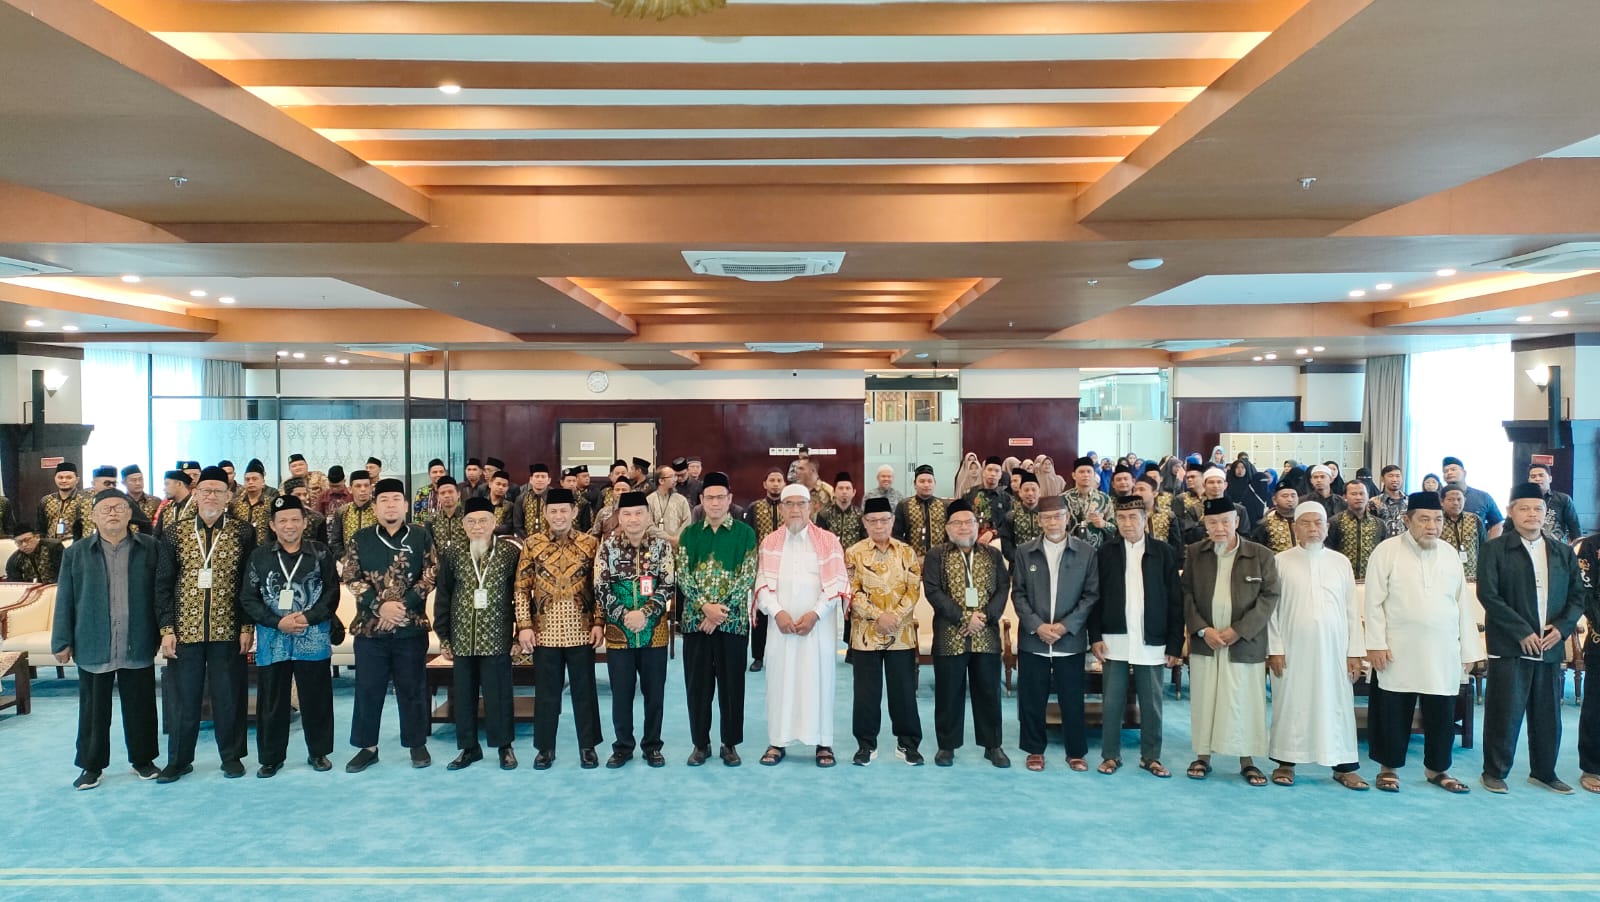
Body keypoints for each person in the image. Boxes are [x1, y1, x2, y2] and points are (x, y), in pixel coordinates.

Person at [1363, 492, 1479, 793]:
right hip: (1397, 648)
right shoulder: (1386, 551)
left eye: (1437, 519)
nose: (1432, 526)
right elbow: (1373, 602)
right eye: (1424, 519)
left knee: (1441, 711)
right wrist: (1375, 644)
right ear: (1407, 520)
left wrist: (1469, 649)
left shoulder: (1449, 554)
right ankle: (1388, 768)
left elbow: (1462, 604)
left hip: (1442, 649)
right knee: (1392, 710)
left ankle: (1437, 769)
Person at [1477, 482, 1585, 794]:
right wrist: (1521, 631)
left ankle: (1544, 772)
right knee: (1504, 713)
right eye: (1524, 508)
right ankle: (1494, 772)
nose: (1532, 514)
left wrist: (1561, 629)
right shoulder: (1495, 549)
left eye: (1538, 509)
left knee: (1548, 714)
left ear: (1545, 512)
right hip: (1511, 645)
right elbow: (1489, 595)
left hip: (1549, 646)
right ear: (1511, 512)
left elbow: (1577, 596)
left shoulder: (1562, 552)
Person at [51, 489, 161, 790]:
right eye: (105, 509)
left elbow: (161, 593)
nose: (112, 513)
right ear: (93, 516)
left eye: (119, 507)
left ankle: (143, 760)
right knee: (93, 710)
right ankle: (91, 766)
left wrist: (164, 632)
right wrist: (61, 640)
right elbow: (65, 598)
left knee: (141, 705)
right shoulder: (76, 553)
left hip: (137, 637)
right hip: (93, 639)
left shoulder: (149, 548)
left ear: (130, 514)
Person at [154, 465, 257, 783]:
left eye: (218, 491)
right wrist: (167, 629)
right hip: (185, 629)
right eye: (206, 490)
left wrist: (246, 626)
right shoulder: (174, 532)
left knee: (230, 696)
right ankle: (179, 760)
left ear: (228, 497)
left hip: (229, 629)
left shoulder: (243, 532)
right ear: (196, 494)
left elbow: (248, 583)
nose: (211, 496)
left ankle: (232, 757)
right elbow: (163, 583)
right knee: (184, 698)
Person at [1266, 503, 1368, 790]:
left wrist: (1355, 652)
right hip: (1291, 649)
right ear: (1295, 528)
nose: (1313, 529)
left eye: (1318, 523)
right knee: (1291, 702)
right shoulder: (1279, 561)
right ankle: (1285, 762)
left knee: (1336, 704)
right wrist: (1274, 648)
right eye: (1306, 523)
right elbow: (1271, 611)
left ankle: (1344, 766)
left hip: (1335, 649)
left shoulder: (1340, 562)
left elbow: (1351, 609)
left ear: (1327, 527)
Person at [1182, 497, 1279, 786]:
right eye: (1212, 523)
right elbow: (1185, 594)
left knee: (1244, 701)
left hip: (1244, 642)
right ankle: (1202, 756)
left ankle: (1247, 760)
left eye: (1225, 521)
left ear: (1236, 522)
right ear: (1205, 525)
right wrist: (1202, 630)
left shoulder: (1260, 555)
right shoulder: (1195, 553)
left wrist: (1239, 630)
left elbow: (1269, 597)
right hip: (1207, 641)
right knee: (1205, 699)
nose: (1219, 528)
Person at [343, 477, 438, 773]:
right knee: (368, 689)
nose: (390, 505)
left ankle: (416, 743)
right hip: (370, 629)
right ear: (375, 507)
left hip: (410, 627)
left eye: (396, 499)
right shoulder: (361, 538)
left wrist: (403, 604)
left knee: (412, 688)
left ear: (406, 505)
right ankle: (367, 747)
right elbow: (351, 577)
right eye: (384, 500)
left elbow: (431, 573)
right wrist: (379, 605)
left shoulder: (420, 535)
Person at [239, 494, 338, 777]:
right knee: (272, 700)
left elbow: (332, 591)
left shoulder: (320, 552)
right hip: (274, 638)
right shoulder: (259, 556)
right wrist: (277, 622)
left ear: (305, 522)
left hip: (312, 634)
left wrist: (308, 617)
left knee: (316, 697)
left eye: (295, 519)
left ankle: (318, 752)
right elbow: (248, 597)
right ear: (272, 525)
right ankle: (271, 758)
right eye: (283, 520)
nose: (289, 525)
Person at [754, 484, 848, 767]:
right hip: (781, 628)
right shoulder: (770, 542)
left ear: (811, 507)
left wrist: (816, 614)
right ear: (781, 509)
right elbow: (761, 583)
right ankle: (777, 741)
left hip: (817, 629)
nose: (795, 510)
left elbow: (836, 583)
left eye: (801, 504)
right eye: (789, 504)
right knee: (779, 683)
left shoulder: (829, 541)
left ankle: (823, 742)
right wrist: (777, 612)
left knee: (818, 682)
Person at [1092, 494, 1183, 778]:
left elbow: (1176, 601)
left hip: (1152, 639)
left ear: (1145, 519)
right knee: (1112, 702)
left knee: (1152, 702)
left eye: (1133, 517)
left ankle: (1151, 757)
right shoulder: (1105, 552)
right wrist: (1094, 636)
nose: (1127, 523)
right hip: (1114, 637)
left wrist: (1175, 644)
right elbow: (1095, 598)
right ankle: (1110, 755)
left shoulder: (1164, 552)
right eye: (1121, 518)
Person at [515, 488, 604, 770]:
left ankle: (588, 747)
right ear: (545, 513)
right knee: (546, 692)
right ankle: (545, 748)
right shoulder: (533, 544)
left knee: (585, 691)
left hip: (581, 629)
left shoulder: (591, 544)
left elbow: (599, 587)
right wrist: (524, 626)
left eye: (564, 510)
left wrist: (599, 622)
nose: (558, 516)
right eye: (553, 511)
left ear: (574, 512)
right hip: (545, 631)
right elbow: (521, 588)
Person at [676, 473, 758, 767]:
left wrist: (719, 612)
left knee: (732, 685)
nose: (714, 503)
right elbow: (682, 574)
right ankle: (700, 744)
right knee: (697, 686)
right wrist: (704, 607)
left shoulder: (745, 534)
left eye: (720, 497)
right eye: (709, 497)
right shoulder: (689, 534)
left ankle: (729, 743)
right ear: (701, 500)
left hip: (732, 623)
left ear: (729, 499)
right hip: (695, 624)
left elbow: (747, 575)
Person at [1011, 495, 1098, 772]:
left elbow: (1091, 595)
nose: (1052, 522)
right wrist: (1037, 625)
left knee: (1072, 698)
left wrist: (1065, 626)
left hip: (1069, 639)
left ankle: (1076, 752)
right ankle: (1034, 750)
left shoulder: (1086, 552)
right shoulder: (1024, 552)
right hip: (1033, 638)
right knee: (1032, 698)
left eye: (1058, 516)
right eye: (1046, 518)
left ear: (1067, 518)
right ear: (1039, 521)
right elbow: (1018, 594)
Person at [434, 496, 520, 771]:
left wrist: (518, 634)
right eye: (471, 521)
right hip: (462, 637)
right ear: (463, 525)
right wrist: (444, 636)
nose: (477, 526)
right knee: (463, 697)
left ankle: (504, 747)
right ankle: (469, 748)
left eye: (483, 521)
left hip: (496, 636)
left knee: (499, 695)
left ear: (494, 523)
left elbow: (520, 595)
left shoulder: (509, 552)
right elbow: (444, 595)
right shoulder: (453, 552)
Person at [925, 499, 1010, 768]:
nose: (964, 527)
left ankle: (992, 745)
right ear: (947, 528)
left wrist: (984, 617)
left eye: (969, 522)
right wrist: (964, 617)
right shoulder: (937, 555)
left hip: (986, 635)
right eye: (957, 523)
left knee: (989, 692)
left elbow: (1003, 588)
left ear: (977, 525)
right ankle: (947, 746)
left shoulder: (992, 554)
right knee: (948, 693)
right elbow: (933, 591)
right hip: (950, 635)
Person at [596, 492, 675, 768]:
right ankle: (623, 747)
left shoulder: (662, 547)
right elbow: (601, 587)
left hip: (654, 633)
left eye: (639, 513)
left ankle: (652, 746)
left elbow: (668, 584)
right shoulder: (607, 547)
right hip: (620, 634)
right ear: (619, 517)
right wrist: (624, 615)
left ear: (648, 516)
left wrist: (645, 613)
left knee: (655, 694)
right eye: (627, 514)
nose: (633, 519)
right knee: (621, 694)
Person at [845, 496, 923, 766]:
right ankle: (866, 744)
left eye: (884, 520)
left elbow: (913, 590)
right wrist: (879, 616)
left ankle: (907, 743)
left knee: (903, 691)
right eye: (873, 521)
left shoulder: (906, 552)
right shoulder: (853, 553)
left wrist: (895, 616)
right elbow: (851, 591)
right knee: (866, 693)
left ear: (892, 521)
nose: (879, 525)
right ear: (865, 523)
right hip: (865, 634)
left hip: (900, 634)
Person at [742, 468, 785, 674]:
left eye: (779, 480)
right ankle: (758, 656)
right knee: (760, 611)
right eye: (772, 480)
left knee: (785, 608)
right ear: (765, 484)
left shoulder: (789, 506)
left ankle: (784, 655)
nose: (775, 484)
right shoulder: (755, 507)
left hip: (785, 567)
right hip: (762, 567)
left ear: (784, 484)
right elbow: (749, 538)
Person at [1573, 530, 1600, 794]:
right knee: (1596, 704)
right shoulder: (1592, 546)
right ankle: (1592, 767)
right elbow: (1586, 593)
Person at [1326, 480, 1383, 580]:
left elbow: (1383, 554)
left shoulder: (1379, 524)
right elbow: (1328, 552)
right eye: (1353, 494)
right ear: (1345, 497)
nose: (1358, 497)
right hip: (1341, 578)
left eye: (1362, 494)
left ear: (1368, 496)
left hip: (1371, 579)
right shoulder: (1334, 522)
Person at [894, 465, 949, 561]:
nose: (926, 485)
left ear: (935, 483)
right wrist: (909, 555)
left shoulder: (945, 505)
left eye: (930, 481)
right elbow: (896, 535)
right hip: (912, 560)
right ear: (915, 484)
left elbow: (950, 534)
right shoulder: (904, 505)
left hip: (940, 559)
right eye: (922, 481)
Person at [1441, 456, 1503, 540]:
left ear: (1464, 472)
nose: (1449, 473)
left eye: (1453, 469)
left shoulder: (1483, 497)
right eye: (1445, 471)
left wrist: (1490, 545)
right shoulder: (1437, 498)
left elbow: (1497, 524)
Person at [326, 469, 377, 565]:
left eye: (366, 485)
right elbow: (335, 542)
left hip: (375, 563)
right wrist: (344, 558)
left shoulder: (378, 511)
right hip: (348, 563)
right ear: (350, 489)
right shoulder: (342, 511)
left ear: (371, 488)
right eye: (358, 486)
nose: (363, 489)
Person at [1064, 456, 1115, 546]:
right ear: (1074, 475)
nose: (1086, 475)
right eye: (1081, 472)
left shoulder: (1104, 499)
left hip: (1097, 550)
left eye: (1089, 471)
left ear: (1094, 475)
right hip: (1069, 549)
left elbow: (1114, 529)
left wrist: (1103, 524)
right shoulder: (1063, 498)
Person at [1527, 462, 1582, 544]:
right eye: (1533, 476)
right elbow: (1509, 528)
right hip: (1528, 547)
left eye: (1541, 475)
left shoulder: (1563, 499)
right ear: (1529, 480)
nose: (1537, 479)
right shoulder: (1521, 501)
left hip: (1556, 548)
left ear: (1550, 479)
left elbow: (1575, 530)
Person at [964, 456, 1013, 547]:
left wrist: (993, 533)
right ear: (983, 472)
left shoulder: (1007, 499)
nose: (993, 474)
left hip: (997, 543)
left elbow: (1009, 524)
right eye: (989, 470)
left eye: (997, 471)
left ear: (1001, 475)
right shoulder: (970, 494)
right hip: (971, 541)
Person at [37, 461, 90, 541]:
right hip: (50, 545)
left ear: (77, 480)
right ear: (55, 478)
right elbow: (41, 528)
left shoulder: (85, 500)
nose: (64, 480)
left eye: (69, 478)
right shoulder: (46, 500)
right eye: (60, 477)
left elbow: (87, 529)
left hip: (74, 546)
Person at [230, 458, 277, 544]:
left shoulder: (271, 503)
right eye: (247, 479)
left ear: (263, 482)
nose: (250, 482)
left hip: (264, 549)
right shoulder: (234, 504)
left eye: (254, 479)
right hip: (239, 548)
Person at [815, 471, 865, 550]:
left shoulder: (861, 515)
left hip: (854, 556)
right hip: (830, 555)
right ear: (834, 492)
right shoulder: (824, 514)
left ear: (854, 492)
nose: (844, 492)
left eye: (848, 488)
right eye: (841, 488)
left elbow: (865, 542)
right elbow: (819, 540)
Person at [1001, 470, 1043, 561]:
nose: (1030, 493)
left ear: (1040, 492)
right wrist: (1017, 559)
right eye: (1026, 490)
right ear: (1020, 493)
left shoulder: (1046, 515)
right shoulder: (1011, 516)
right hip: (1018, 562)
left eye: (1034, 490)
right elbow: (1006, 543)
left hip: (1043, 561)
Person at [646, 464, 692, 545]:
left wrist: (677, 538)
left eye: (675, 476)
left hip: (678, 543)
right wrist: (670, 539)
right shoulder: (650, 500)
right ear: (661, 481)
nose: (675, 479)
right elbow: (648, 525)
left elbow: (687, 522)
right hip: (656, 545)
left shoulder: (681, 499)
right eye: (672, 476)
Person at [427, 475, 468, 557]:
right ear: (438, 497)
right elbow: (429, 547)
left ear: (458, 494)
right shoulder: (431, 520)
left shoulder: (468, 517)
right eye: (442, 493)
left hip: (465, 562)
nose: (447, 495)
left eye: (450, 492)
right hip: (440, 563)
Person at [1251, 483, 1299, 553]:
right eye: (1285, 496)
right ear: (1274, 500)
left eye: (1293, 496)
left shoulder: (1306, 520)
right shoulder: (1265, 524)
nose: (1290, 499)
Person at [1369, 465, 1409, 538]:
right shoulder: (1374, 502)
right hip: (1383, 543)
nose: (1395, 479)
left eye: (1398, 476)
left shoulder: (1410, 501)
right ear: (1382, 479)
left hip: (1406, 542)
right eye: (1390, 476)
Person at [514, 463, 552, 539]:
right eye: (537, 476)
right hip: (527, 541)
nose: (540, 479)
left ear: (549, 480)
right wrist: (528, 540)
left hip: (551, 541)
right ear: (531, 480)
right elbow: (517, 526)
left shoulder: (555, 497)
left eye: (543, 477)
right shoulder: (521, 498)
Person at [153, 469, 194, 538]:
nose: (164, 489)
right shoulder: (166, 508)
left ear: (179, 484)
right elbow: (156, 536)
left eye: (167, 484)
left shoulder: (197, 506)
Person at [412, 459, 449, 525]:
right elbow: (416, 517)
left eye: (441, 472)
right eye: (435, 472)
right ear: (429, 474)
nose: (438, 474)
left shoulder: (451, 492)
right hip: (425, 530)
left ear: (445, 473)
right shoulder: (421, 492)